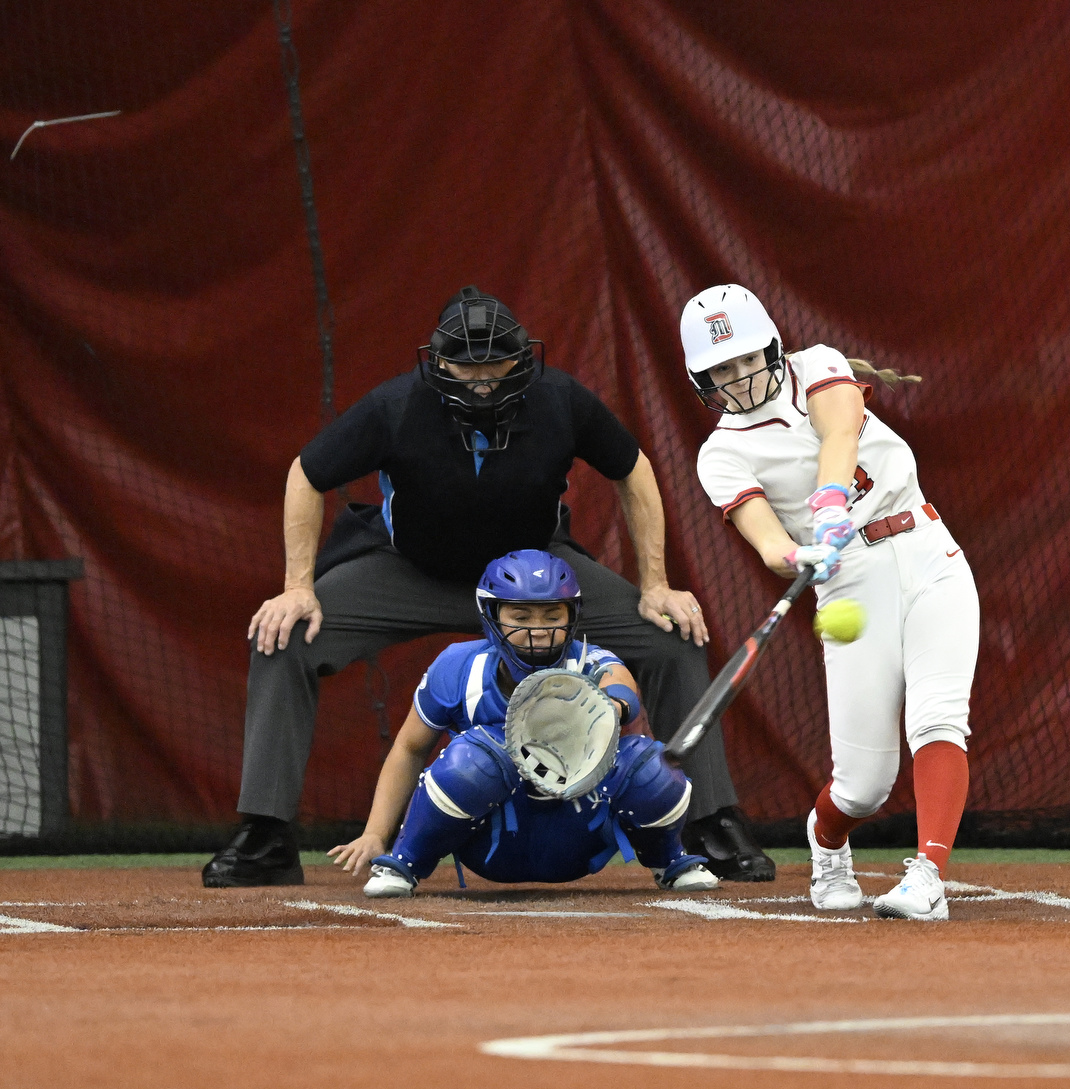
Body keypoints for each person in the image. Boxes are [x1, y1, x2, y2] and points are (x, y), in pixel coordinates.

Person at [204, 287, 774, 888]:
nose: (481, 379)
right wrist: (298, 585)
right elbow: (306, 472)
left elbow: (632, 469)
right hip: (412, 570)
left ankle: (711, 822)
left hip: (532, 579)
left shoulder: (559, 400)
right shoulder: (396, 405)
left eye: (495, 363)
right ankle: (265, 833)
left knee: (670, 636)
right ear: (438, 363)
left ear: (523, 359)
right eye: (466, 365)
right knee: (284, 634)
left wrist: (655, 583)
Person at [680, 285, 980, 920]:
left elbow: (839, 434)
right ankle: (826, 840)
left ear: (772, 347)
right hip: (849, 583)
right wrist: (798, 556)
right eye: (721, 371)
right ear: (702, 381)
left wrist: (828, 504)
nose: (740, 377)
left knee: (937, 717)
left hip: (928, 550)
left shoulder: (817, 364)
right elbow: (765, 539)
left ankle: (928, 875)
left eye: (748, 359)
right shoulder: (722, 453)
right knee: (863, 788)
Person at [327, 550, 718, 895]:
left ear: (573, 616)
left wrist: (609, 708)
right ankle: (405, 863)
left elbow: (620, 685)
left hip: (580, 838)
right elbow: (409, 748)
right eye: (520, 615)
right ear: (492, 615)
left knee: (651, 765)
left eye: (552, 615)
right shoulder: (458, 666)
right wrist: (376, 833)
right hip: (493, 842)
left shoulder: (592, 660)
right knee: (474, 758)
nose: (538, 629)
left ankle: (670, 861)